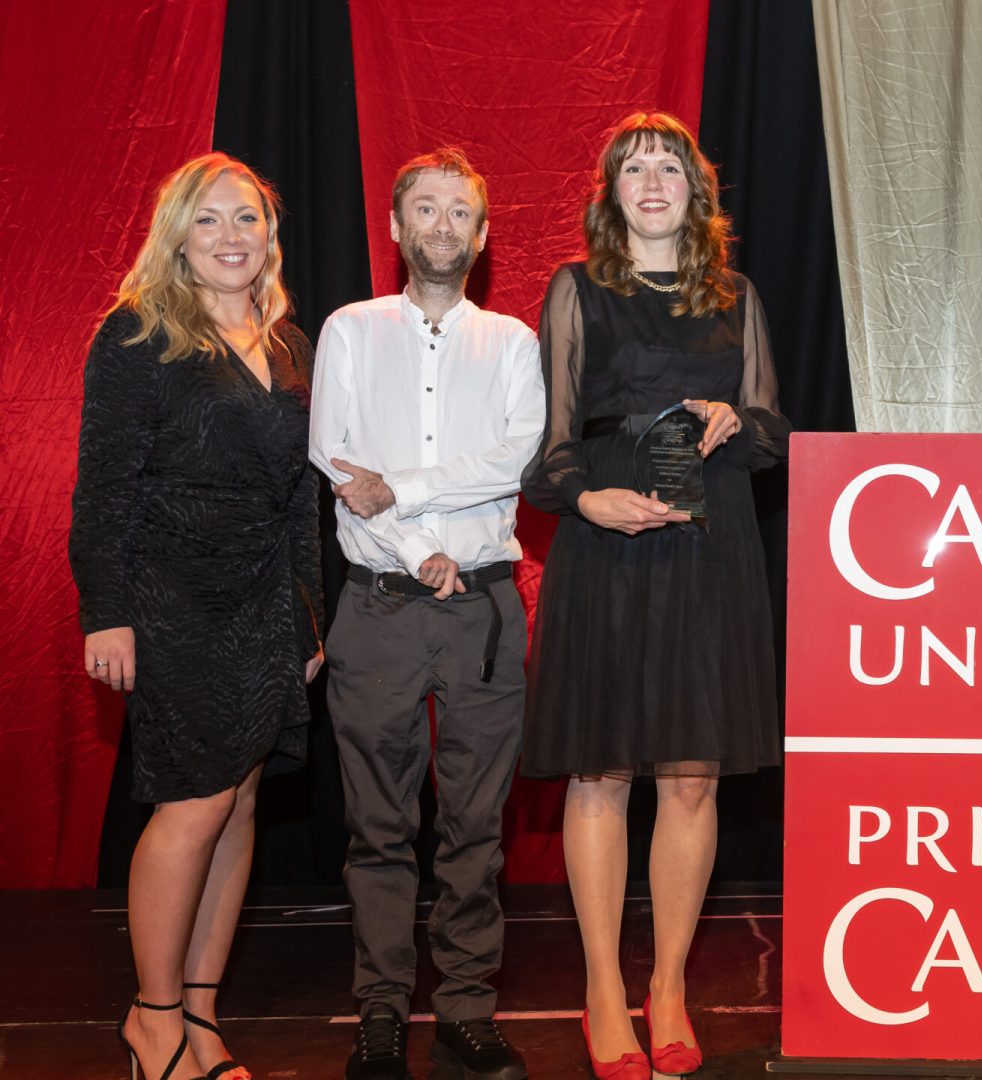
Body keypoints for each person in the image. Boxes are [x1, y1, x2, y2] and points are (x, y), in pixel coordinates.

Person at [520, 111, 788, 1079]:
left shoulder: (738, 296)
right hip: (609, 550)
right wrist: (589, 500)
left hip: (708, 553)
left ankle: (667, 984)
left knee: (692, 777)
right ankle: (601, 987)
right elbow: (547, 451)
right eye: (631, 167)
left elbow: (773, 430)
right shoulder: (578, 291)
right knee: (602, 775)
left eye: (667, 163)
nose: (650, 179)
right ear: (611, 194)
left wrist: (733, 417)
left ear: (694, 189)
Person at [71, 153, 323, 1080]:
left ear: (269, 232)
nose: (231, 237)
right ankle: (153, 1019)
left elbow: (304, 498)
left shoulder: (286, 341)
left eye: (247, 219)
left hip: (264, 602)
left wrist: (308, 619)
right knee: (194, 801)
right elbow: (102, 489)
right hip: (169, 600)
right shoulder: (137, 334)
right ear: (177, 233)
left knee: (243, 797)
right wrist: (107, 613)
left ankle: (203, 1016)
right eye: (209, 220)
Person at [308, 147, 543, 1080]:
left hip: (483, 609)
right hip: (377, 610)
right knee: (377, 825)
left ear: (481, 238)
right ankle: (378, 1012)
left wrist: (399, 489)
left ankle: (466, 1008)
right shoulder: (351, 330)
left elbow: (514, 460)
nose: (442, 226)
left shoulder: (513, 343)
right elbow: (336, 461)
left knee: (476, 826)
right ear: (398, 228)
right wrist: (418, 547)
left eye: (460, 213)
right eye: (426, 210)